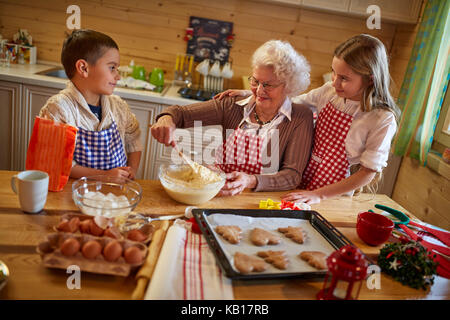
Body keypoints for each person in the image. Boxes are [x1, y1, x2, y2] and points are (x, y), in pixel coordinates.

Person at [216, 34, 401, 203]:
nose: (335, 82)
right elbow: (291, 103)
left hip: (333, 194)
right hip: (304, 178)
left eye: (344, 78)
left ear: (370, 79)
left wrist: (318, 194)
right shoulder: (329, 92)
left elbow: (367, 173)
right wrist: (255, 93)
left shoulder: (381, 118)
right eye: (334, 72)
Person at [151, 40, 314, 196]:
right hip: (219, 191)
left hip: (260, 201)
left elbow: (291, 176)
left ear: (288, 86)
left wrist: (250, 180)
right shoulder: (232, 105)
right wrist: (167, 118)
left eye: (268, 85)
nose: (259, 90)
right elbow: (180, 113)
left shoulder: (300, 117)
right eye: (255, 81)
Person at [39, 29, 142, 179]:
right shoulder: (58, 109)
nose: (118, 76)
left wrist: (132, 168)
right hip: (73, 194)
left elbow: (134, 138)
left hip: (114, 192)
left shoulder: (119, 107)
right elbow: (57, 162)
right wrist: (104, 175)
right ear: (83, 68)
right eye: (112, 67)